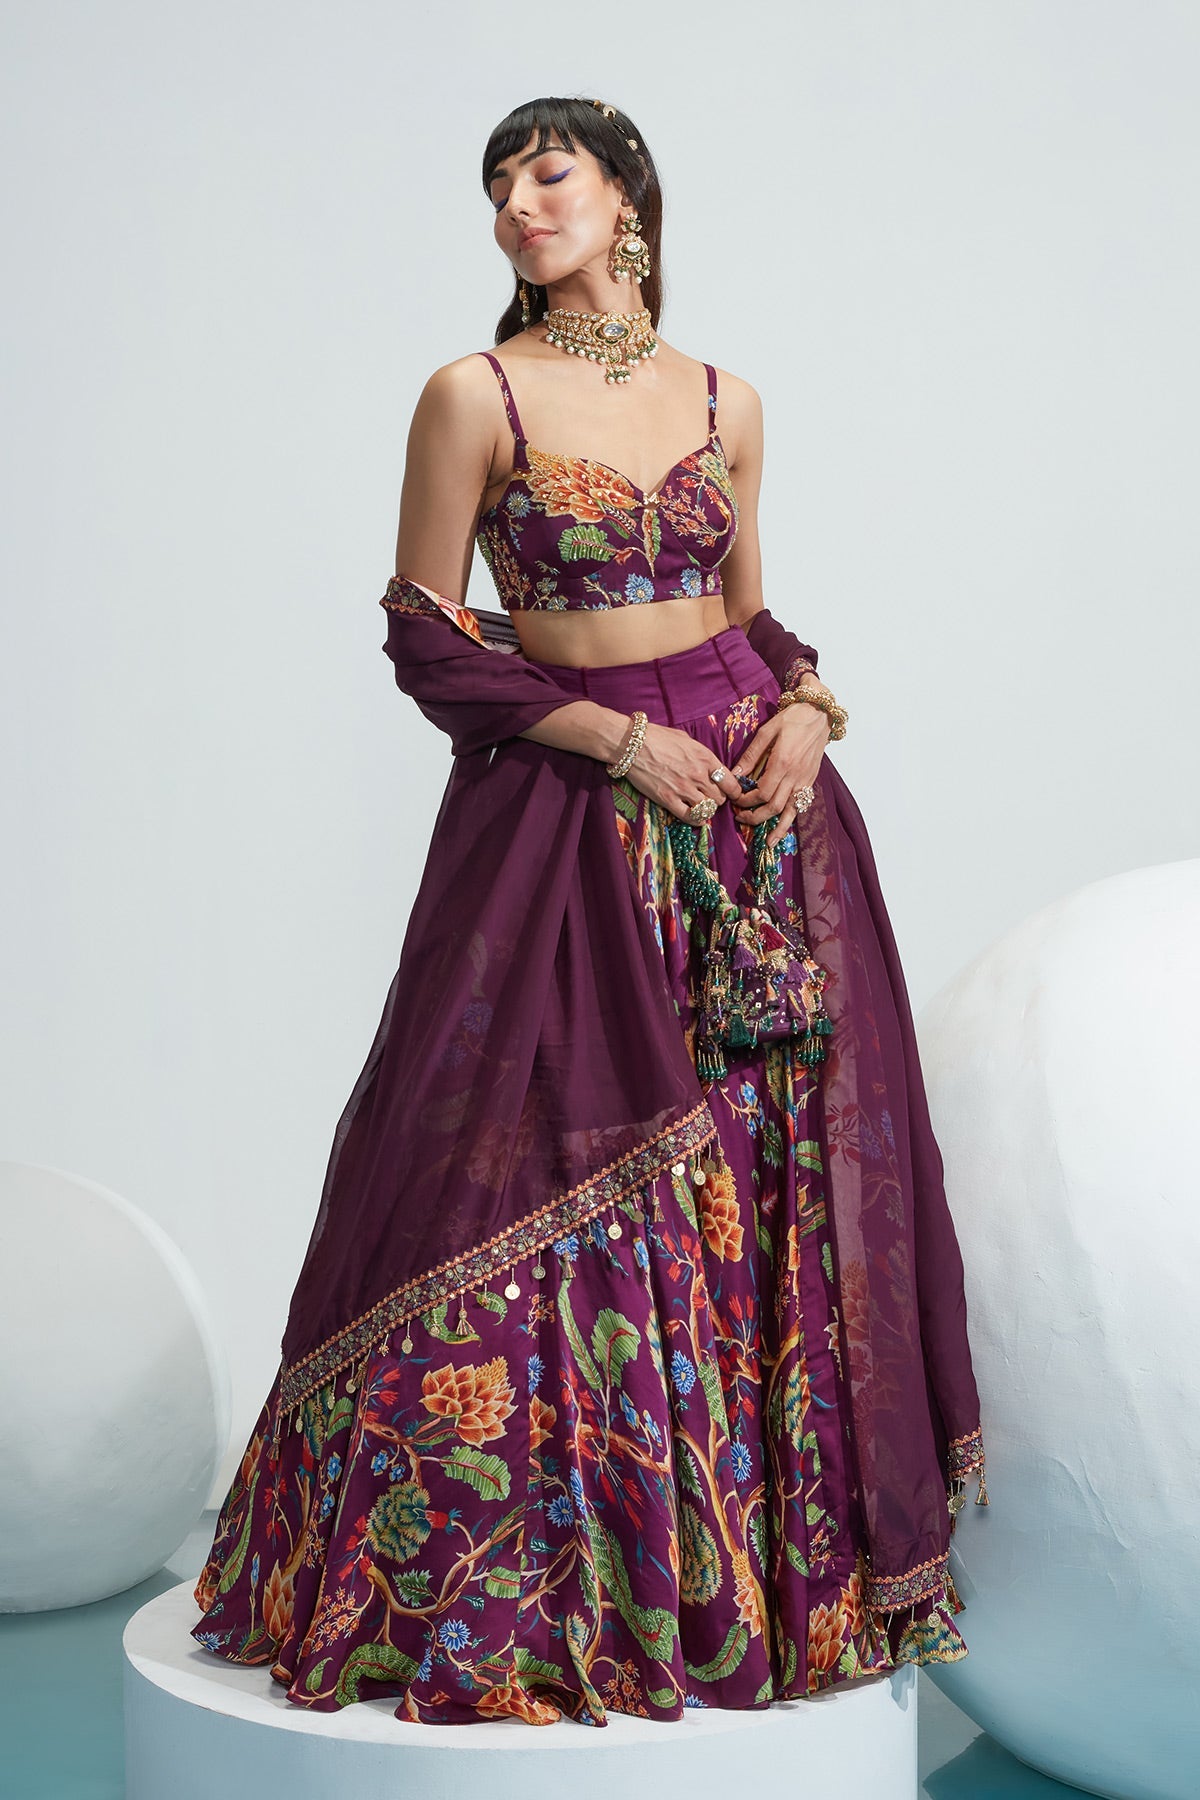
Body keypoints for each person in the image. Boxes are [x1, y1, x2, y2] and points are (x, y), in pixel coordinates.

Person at [190, 95, 987, 1728]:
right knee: (535, 1163)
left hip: (756, 819)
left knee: (766, 1182)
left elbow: (750, 616)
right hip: (567, 816)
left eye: (545, 171)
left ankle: (762, 1584)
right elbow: (427, 637)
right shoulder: (471, 394)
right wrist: (614, 741)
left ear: (627, 197)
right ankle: (545, 1584)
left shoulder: (727, 398)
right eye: (496, 186)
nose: (515, 203)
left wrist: (807, 712)